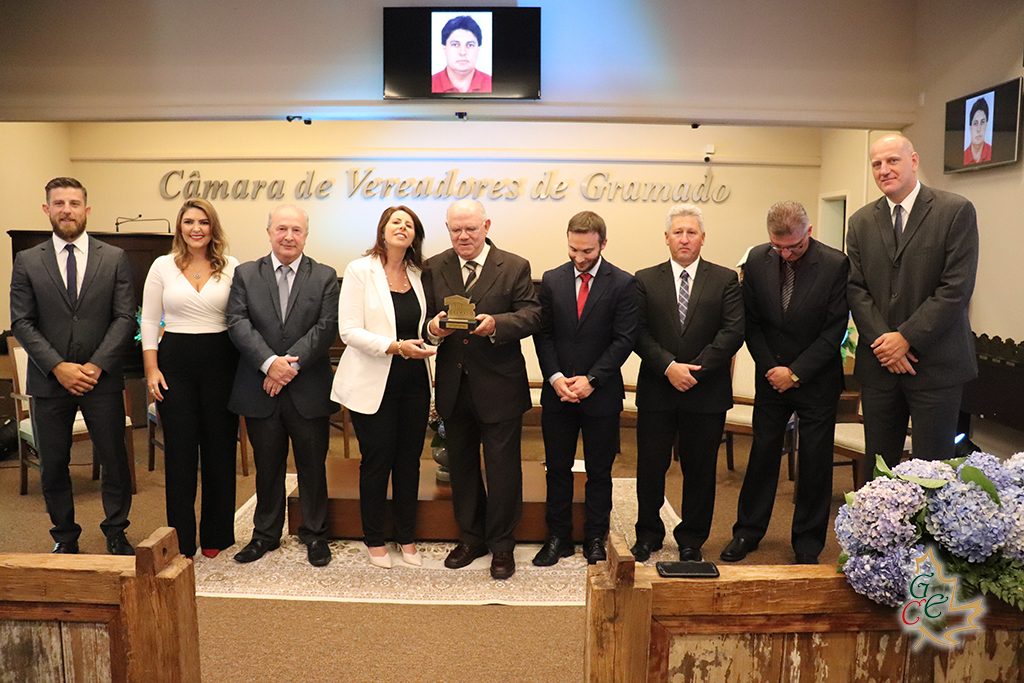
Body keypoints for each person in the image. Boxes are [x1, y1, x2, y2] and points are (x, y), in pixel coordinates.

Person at [10, 177, 135, 555]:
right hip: (49, 383)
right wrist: (58, 367)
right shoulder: (27, 260)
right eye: (59, 203)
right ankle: (64, 536)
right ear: (47, 209)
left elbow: (124, 317)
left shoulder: (113, 257)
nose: (67, 210)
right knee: (53, 466)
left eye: (74, 203)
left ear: (87, 209)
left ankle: (116, 531)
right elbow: (22, 322)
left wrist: (96, 365)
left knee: (115, 462)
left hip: (102, 381)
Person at [721, 201, 849, 566]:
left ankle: (808, 541)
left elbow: (834, 329)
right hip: (771, 376)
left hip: (816, 377)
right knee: (762, 454)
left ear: (808, 231)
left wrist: (795, 372)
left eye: (794, 246)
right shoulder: (756, 260)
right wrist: (773, 369)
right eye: (778, 247)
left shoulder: (835, 264)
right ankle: (747, 531)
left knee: (815, 459)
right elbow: (751, 323)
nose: (786, 254)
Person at [847, 134, 979, 480]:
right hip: (880, 367)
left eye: (892, 160)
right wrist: (886, 344)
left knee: (932, 474)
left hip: (935, 365)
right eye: (877, 164)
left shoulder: (954, 211)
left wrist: (905, 338)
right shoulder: (860, 222)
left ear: (914, 161)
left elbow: (956, 288)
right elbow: (856, 289)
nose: (884, 170)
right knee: (880, 473)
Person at [423, 198, 541, 580]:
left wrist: (497, 325)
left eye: (470, 228)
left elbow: (532, 314)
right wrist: (432, 329)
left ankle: (502, 545)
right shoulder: (433, 267)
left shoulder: (515, 266)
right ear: (447, 229)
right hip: (454, 386)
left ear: (486, 226)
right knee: (461, 467)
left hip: (500, 385)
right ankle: (471, 538)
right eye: (456, 229)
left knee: (503, 469)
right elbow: (422, 318)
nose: (463, 236)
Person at [227, 205, 340, 567]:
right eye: (281, 229)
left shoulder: (324, 276)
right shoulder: (246, 274)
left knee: (313, 466)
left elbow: (326, 327)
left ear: (306, 235)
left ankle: (315, 534)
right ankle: (265, 534)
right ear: (269, 232)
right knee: (268, 466)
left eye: (296, 230)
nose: (288, 236)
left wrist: (287, 366)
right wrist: (269, 364)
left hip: (308, 388)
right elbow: (237, 322)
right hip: (260, 387)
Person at [631, 203, 744, 563]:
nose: (684, 239)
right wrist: (668, 367)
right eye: (677, 232)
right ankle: (648, 534)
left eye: (691, 232)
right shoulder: (644, 279)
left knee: (700, 470)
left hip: (705, 392)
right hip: (657, 389)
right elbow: (637, 332)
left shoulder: (725, 279)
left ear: (702, 238)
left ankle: (692, 539)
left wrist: (694, 370)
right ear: (666, 238)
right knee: (651, 467)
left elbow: (732, 332)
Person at [331, 206, 435, 569]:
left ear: (415, 236)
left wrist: (433, 334)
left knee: (409, 462)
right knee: (377, 461)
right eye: (396, 222)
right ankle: (374, 538)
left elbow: (422, 327)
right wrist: (395, 346)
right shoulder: (360, 270)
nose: (402, 227)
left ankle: (406, 536)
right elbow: (349, 331)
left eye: (409, 225)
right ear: (383, 230)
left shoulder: (419, 274)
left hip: (414, 381)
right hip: (372, 382)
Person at [532, 211, 637, 566]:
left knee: (599, 472)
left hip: (601, 395)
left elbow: (624, 340)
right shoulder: (551, 280)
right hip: (558, 392)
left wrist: (592, 380)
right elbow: (544, 335)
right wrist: (555, 377)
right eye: (573, 249)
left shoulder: (622, 283)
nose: (579, 257)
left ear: (603, 244)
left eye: (587, 251)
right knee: (557, 469)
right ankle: (558, 537)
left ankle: (595, 537)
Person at [141, 198, 240, 559]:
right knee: (180, 454)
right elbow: (149, 319)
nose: (196, 228)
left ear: (213, 227)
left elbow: (240, 318)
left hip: (222, 362)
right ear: (179, 227)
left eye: (203, 222)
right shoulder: (162, 266)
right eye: (188, 222)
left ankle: (217, 535)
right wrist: (151, 368)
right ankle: (181, 539)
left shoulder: (231, 266)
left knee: (220, 450)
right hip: (175, 364)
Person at [431, 15, 492, 94]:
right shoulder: (429, 84)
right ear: (444, 48)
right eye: (455, 44)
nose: (463, 52)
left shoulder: (492, 84)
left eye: (470, 45)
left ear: (478, 49)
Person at [964, 97, 992, 165]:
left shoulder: (992, 152)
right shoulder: (963, 156)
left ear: (986, 125)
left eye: (982, 122)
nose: (979, 129)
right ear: (970, 128)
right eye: (975, 123)